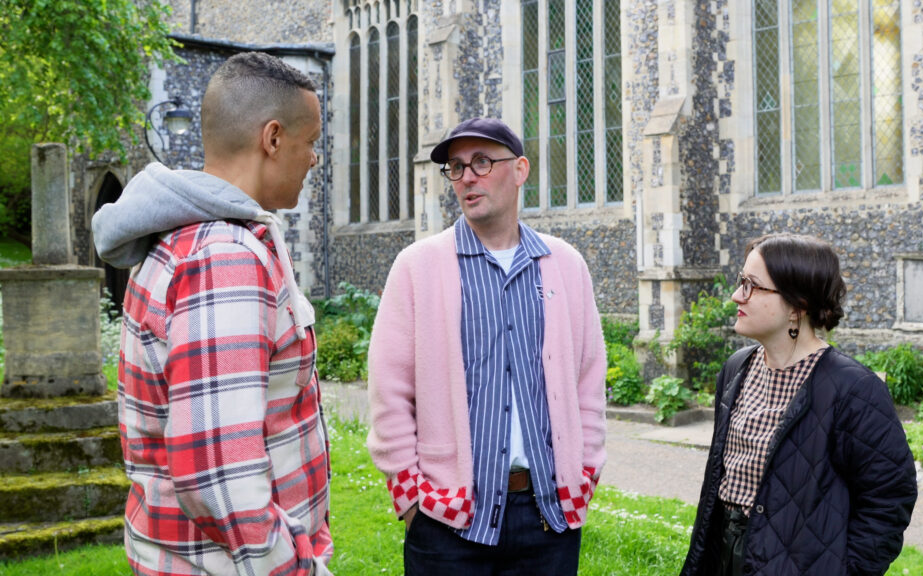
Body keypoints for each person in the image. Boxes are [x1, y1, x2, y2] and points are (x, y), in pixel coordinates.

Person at [92, 52, 333, 575]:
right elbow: (219, 478)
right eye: (310, 141)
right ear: (273, 138)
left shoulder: (190, 240)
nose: (314, 158)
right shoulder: (223, 257)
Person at [366, 117, 607, 575]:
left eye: (481, 162)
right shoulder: (418, 267)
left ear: (520, 170)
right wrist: (411, 497)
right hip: (446, 521)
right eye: (456, 167)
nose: (466, 177)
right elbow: (389, 392)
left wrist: (586, 472)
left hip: (548, 518)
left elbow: (589, 381)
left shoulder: (564, 265)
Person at [680, 233, 917, 576]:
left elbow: (889, 498)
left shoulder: (853, 389)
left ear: (798, 306)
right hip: (722, 557)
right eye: (741, 281)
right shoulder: (736, 369)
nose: (736, 295)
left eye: (752, 286)